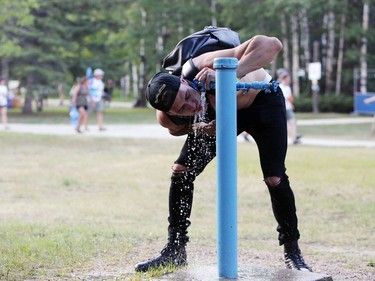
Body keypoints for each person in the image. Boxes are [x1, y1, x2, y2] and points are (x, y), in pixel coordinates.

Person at [135, 34, 312, 272]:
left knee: (275, 177)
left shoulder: (202, 64)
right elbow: (180, 128)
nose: (191, 106)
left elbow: (272, 45)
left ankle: (293, 252)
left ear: (186, 82)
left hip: (261, 102)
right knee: (181, 170)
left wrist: (229, 74)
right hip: (222, 116)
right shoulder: (167, 118)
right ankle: (175, 249)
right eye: (182, 108)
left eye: (188, 97)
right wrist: (201, 125)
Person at [277, 69, 301, 144]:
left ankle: (294, 137)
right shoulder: (281, 87)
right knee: (289, 123)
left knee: (292, 122)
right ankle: (293, 137)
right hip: (284, 108)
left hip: (288, 107)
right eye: (287, 79)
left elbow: (289, 98)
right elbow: (284, 98)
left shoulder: (287, 88)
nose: (289, 80)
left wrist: (291, 104)